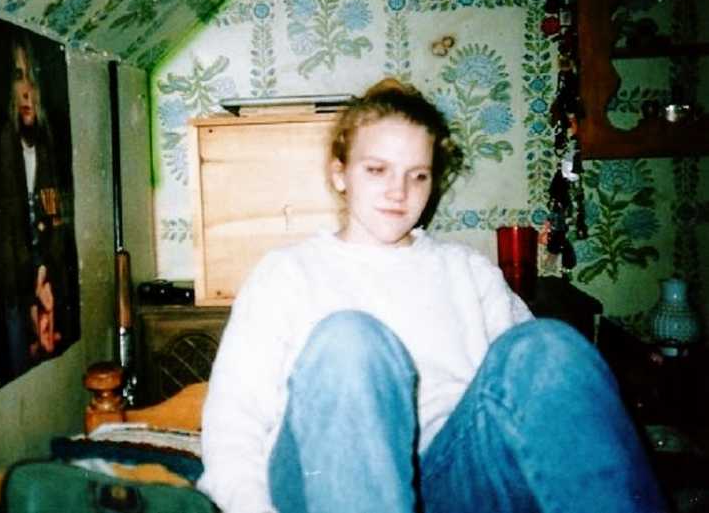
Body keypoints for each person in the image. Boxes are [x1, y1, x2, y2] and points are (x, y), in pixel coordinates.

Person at [197, 79, 665, 513]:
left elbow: (533, 401)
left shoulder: (467, 272)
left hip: (449, 477)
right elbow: (232, 425)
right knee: (350, 339)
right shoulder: (288, 273)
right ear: (340, 173)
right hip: (324, 479)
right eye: (377, 169)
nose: (398, 191)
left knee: (548, 346)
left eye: (417, 175)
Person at [0, 31, 69, 380]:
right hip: (14, 295)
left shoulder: (45, 152)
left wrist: (44, 272)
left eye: (33, 80)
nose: (27, 91)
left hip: (42, 286)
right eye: (18, 78)